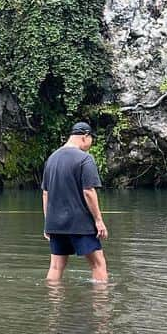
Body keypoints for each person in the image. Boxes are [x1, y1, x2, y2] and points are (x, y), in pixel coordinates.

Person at [41, 121, 108, 282]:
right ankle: (101, 305)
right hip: (80, 224)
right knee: (99, 265)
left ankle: (54, 305)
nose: (91, 143)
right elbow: (88, 191)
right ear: (85, 136)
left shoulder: (51, 159)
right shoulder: (85, 159)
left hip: (55, 224)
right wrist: (99, 220)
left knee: (56, 267)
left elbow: (45, 193)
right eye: (92, 138)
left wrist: (48, 223)